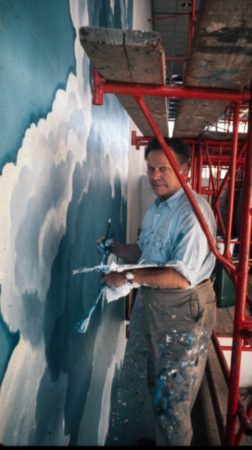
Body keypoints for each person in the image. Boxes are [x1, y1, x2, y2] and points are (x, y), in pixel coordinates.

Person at [102, 137, 217, 446]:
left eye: (163, 169)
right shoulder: (159, 207)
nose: (154, 176)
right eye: (150, 168)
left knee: (172, 402)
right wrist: (115, 248)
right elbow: (145, 253)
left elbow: (181, 276)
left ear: (185, 171)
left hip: (183, 308)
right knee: (159, 384)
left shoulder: (192, 214)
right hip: (159, 302)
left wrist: (127, 276)